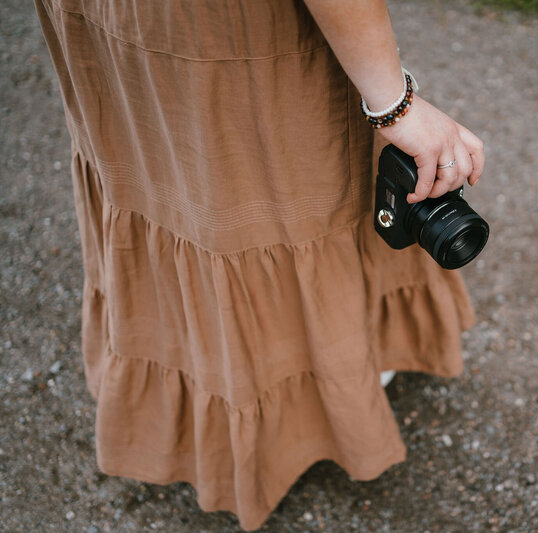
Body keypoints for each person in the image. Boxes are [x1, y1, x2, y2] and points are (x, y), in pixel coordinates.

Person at [34, 0, 484, 529]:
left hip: (114, 16)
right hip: (224, 25)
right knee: (278, 184)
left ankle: (217, 378)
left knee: (165, 170)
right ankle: (315, 390)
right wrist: (396, 106)